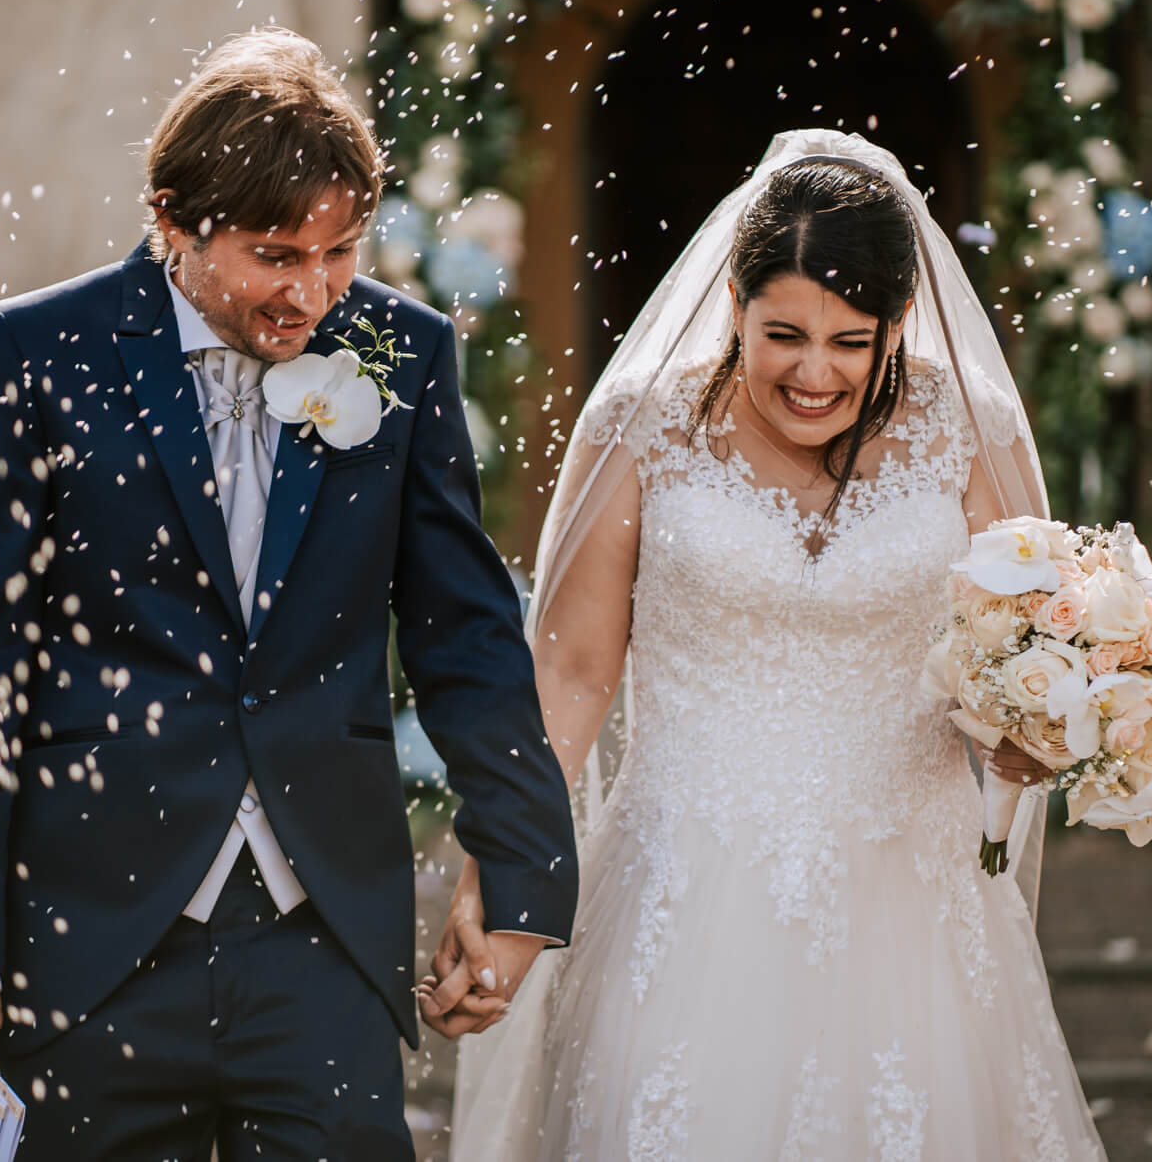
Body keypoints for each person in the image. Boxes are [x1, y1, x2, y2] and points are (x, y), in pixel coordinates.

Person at [0, 27, 578, 1159]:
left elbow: (466, 637)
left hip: (322, 941)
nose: (314, 291)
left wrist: (520, 881)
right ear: (171, 219)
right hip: (91, 936)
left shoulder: (398, 352)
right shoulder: (34, 353)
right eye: (274, 254)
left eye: (342, 250)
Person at [443, 132, 1106, 1157]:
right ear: (733, 305)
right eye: (781, 333)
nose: (813, 371)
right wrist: (504, 878)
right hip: (680, 880)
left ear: (898, 322)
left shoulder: (964, 428)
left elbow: (1029, 646)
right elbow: (571, 673)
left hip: (911, 896)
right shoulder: (641, 426)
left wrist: (1032, 732)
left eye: (851, 340)